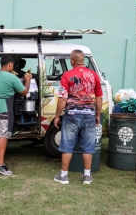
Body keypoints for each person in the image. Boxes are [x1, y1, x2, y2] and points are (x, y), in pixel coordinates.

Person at [53, 49, 103, 185]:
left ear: (72, 61)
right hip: (89, 115)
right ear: (84, 61)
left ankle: (64, 176)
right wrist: (97, 115)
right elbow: (99, 98)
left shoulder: (67, 75)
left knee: (67, 145)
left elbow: (62, 99)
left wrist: (57, 116)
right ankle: (87, 176)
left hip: (72, 115)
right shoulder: (94, 75)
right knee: (88, 146)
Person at [0, 55, 32, 175]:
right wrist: (28, 81)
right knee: (3, 135)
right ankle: (0, 165)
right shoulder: (12, 77)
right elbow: (24, 92)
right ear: (10, 64)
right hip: (3, 106)